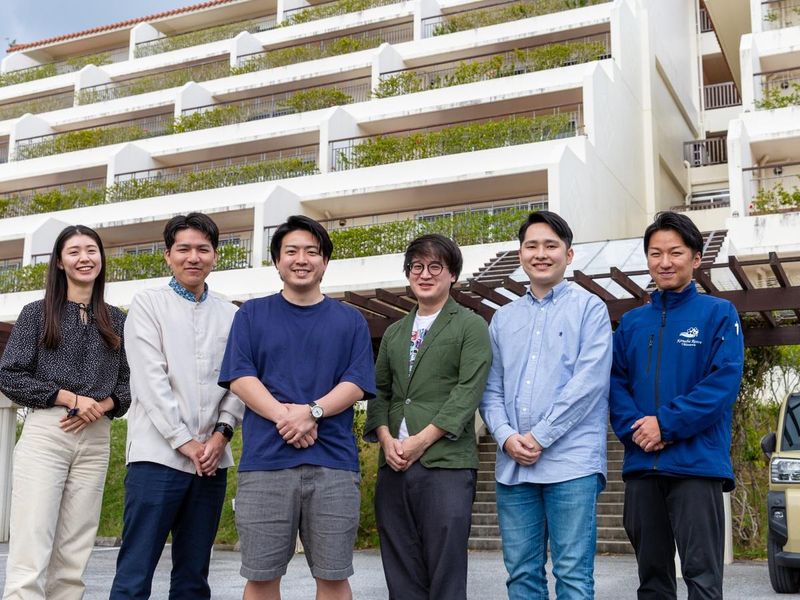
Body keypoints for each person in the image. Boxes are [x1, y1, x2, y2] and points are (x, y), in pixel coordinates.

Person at [218, 215, 375, 600]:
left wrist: (311, 412)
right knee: (261, 577)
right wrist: (286, 417)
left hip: (334, 465)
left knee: (334, 577)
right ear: (277, 260)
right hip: (265, 464)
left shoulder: (350, 320)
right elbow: (240, 376)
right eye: (291, 251)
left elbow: (356, 382)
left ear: (325, 261)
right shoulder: (251, 315)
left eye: (311, 252)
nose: (301, 259)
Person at [610, 211, 744, 600]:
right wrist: (639, 430)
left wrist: (665, 425)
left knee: (702, 579)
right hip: (643, 467)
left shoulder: (719, 314)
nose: (665, 262)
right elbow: (615, 384)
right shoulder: (631, 323)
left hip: (696, 467)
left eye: (675, 252)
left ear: (696, 258)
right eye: (655, 253)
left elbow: (722, 383)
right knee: (652, 580)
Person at [110, 213, 243, 599]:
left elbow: (239, 381)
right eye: (183, 249)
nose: (193, 257)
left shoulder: (232, 314)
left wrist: (221, 435)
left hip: (211, 463)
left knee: (193, 576)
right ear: (168, 255)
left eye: (203, 249)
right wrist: (185, 442)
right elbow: (149, 381)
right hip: (157, 458)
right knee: (135, 573)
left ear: (215, 255)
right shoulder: (148, 305)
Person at [480, 210, 612, 600]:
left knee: (572, 574)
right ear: (521, 254)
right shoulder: (502, 319)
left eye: (551, 246)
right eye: (532, 245)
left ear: (568, 255)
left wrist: (539, 436)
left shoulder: (590, 309)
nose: (541, 254)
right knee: (521, 574)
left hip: (572, 464)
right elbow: (490, 389)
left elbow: (588, 384)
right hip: (513, 468)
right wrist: (505, 437)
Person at [0, 225, 130, 600]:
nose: (84, 258)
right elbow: (9, 375)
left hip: (96, 437)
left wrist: (102, 405)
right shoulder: (36, 313)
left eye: (91, 250)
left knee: (75, 551)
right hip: (48, 433)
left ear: (101, 258)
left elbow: (129, 381)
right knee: (32, 541)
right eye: (74, 252)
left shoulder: (117, 320)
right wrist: (68, 397)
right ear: (59, 262)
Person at [364, 234, 491, 600]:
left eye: (436, 266)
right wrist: (386, 439)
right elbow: (380, 391)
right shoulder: (394, 332)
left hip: (445, 463)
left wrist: (420, 441)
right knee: (400, 570)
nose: (425, 274)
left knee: (445, 570)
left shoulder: (470, 325)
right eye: (416, 267)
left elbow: (467, 391)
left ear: (452, 274)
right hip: (394, 464)